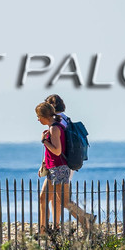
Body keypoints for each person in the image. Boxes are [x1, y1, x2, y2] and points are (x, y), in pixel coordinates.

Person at [37, 100, 93, 238]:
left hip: (59, 168)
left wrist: (44, 141)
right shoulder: (52, 128)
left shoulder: (55, 128)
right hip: (52, 168)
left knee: (65, 201)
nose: (38, 119)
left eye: (39, 116)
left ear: (45, 116)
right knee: (43, 198)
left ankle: (86, 219)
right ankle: (43, 232)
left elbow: (57, 151)